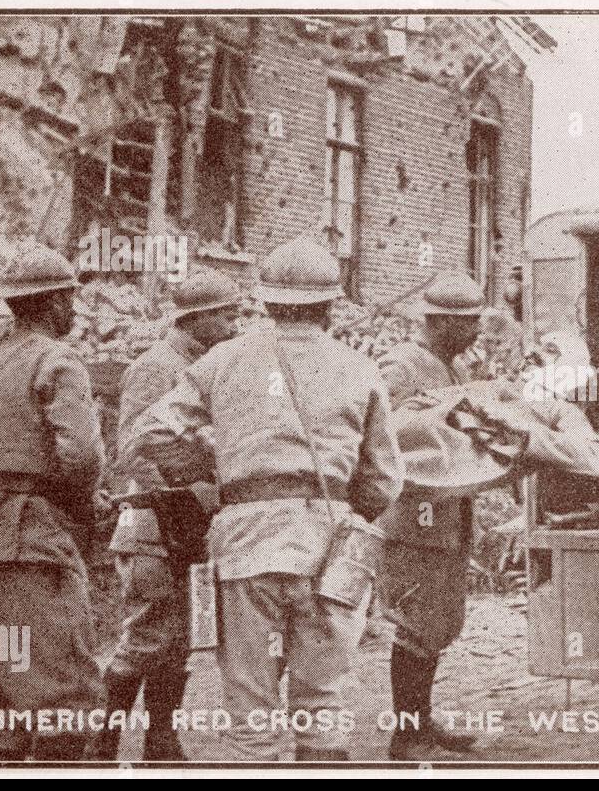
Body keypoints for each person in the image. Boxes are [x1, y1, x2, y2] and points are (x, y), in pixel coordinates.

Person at [137, 236, 403, 761]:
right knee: (322, 703)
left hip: (246, 543)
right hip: (331, 545)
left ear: (264, 300)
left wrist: (222, 486)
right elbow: (386, 478)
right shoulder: (360, 368)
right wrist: (348, 512)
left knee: (251, 707)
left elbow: (154, 433)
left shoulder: (222, 361)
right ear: (329, 305)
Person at [0, 246, 106, 761]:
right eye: (71, 300)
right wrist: (81, 508)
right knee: (68, 695)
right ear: (54, 302)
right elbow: (81, 455)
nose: (76, 312)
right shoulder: (56, 359)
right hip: (26, 541)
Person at [89, 270, 242, 761]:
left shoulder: (203, 363)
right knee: (146, 634)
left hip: (186, 522)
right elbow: (133, 450)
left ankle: (161, 743)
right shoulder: (158, 366)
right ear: (196, 319)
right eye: (225, 315)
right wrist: (182, 494)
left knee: (177, 637)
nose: (234, 325)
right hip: (153, 524)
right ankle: (101, 744)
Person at [375, 272, 487, 760]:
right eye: (468, 323)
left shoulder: (448, 365)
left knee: (438, 622)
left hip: (447, 514)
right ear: (440, 322)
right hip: (414, 518)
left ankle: (420, 718)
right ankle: (407, 735)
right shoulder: (401, 366)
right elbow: (380, 436)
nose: (477, 331)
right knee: (416, 624)